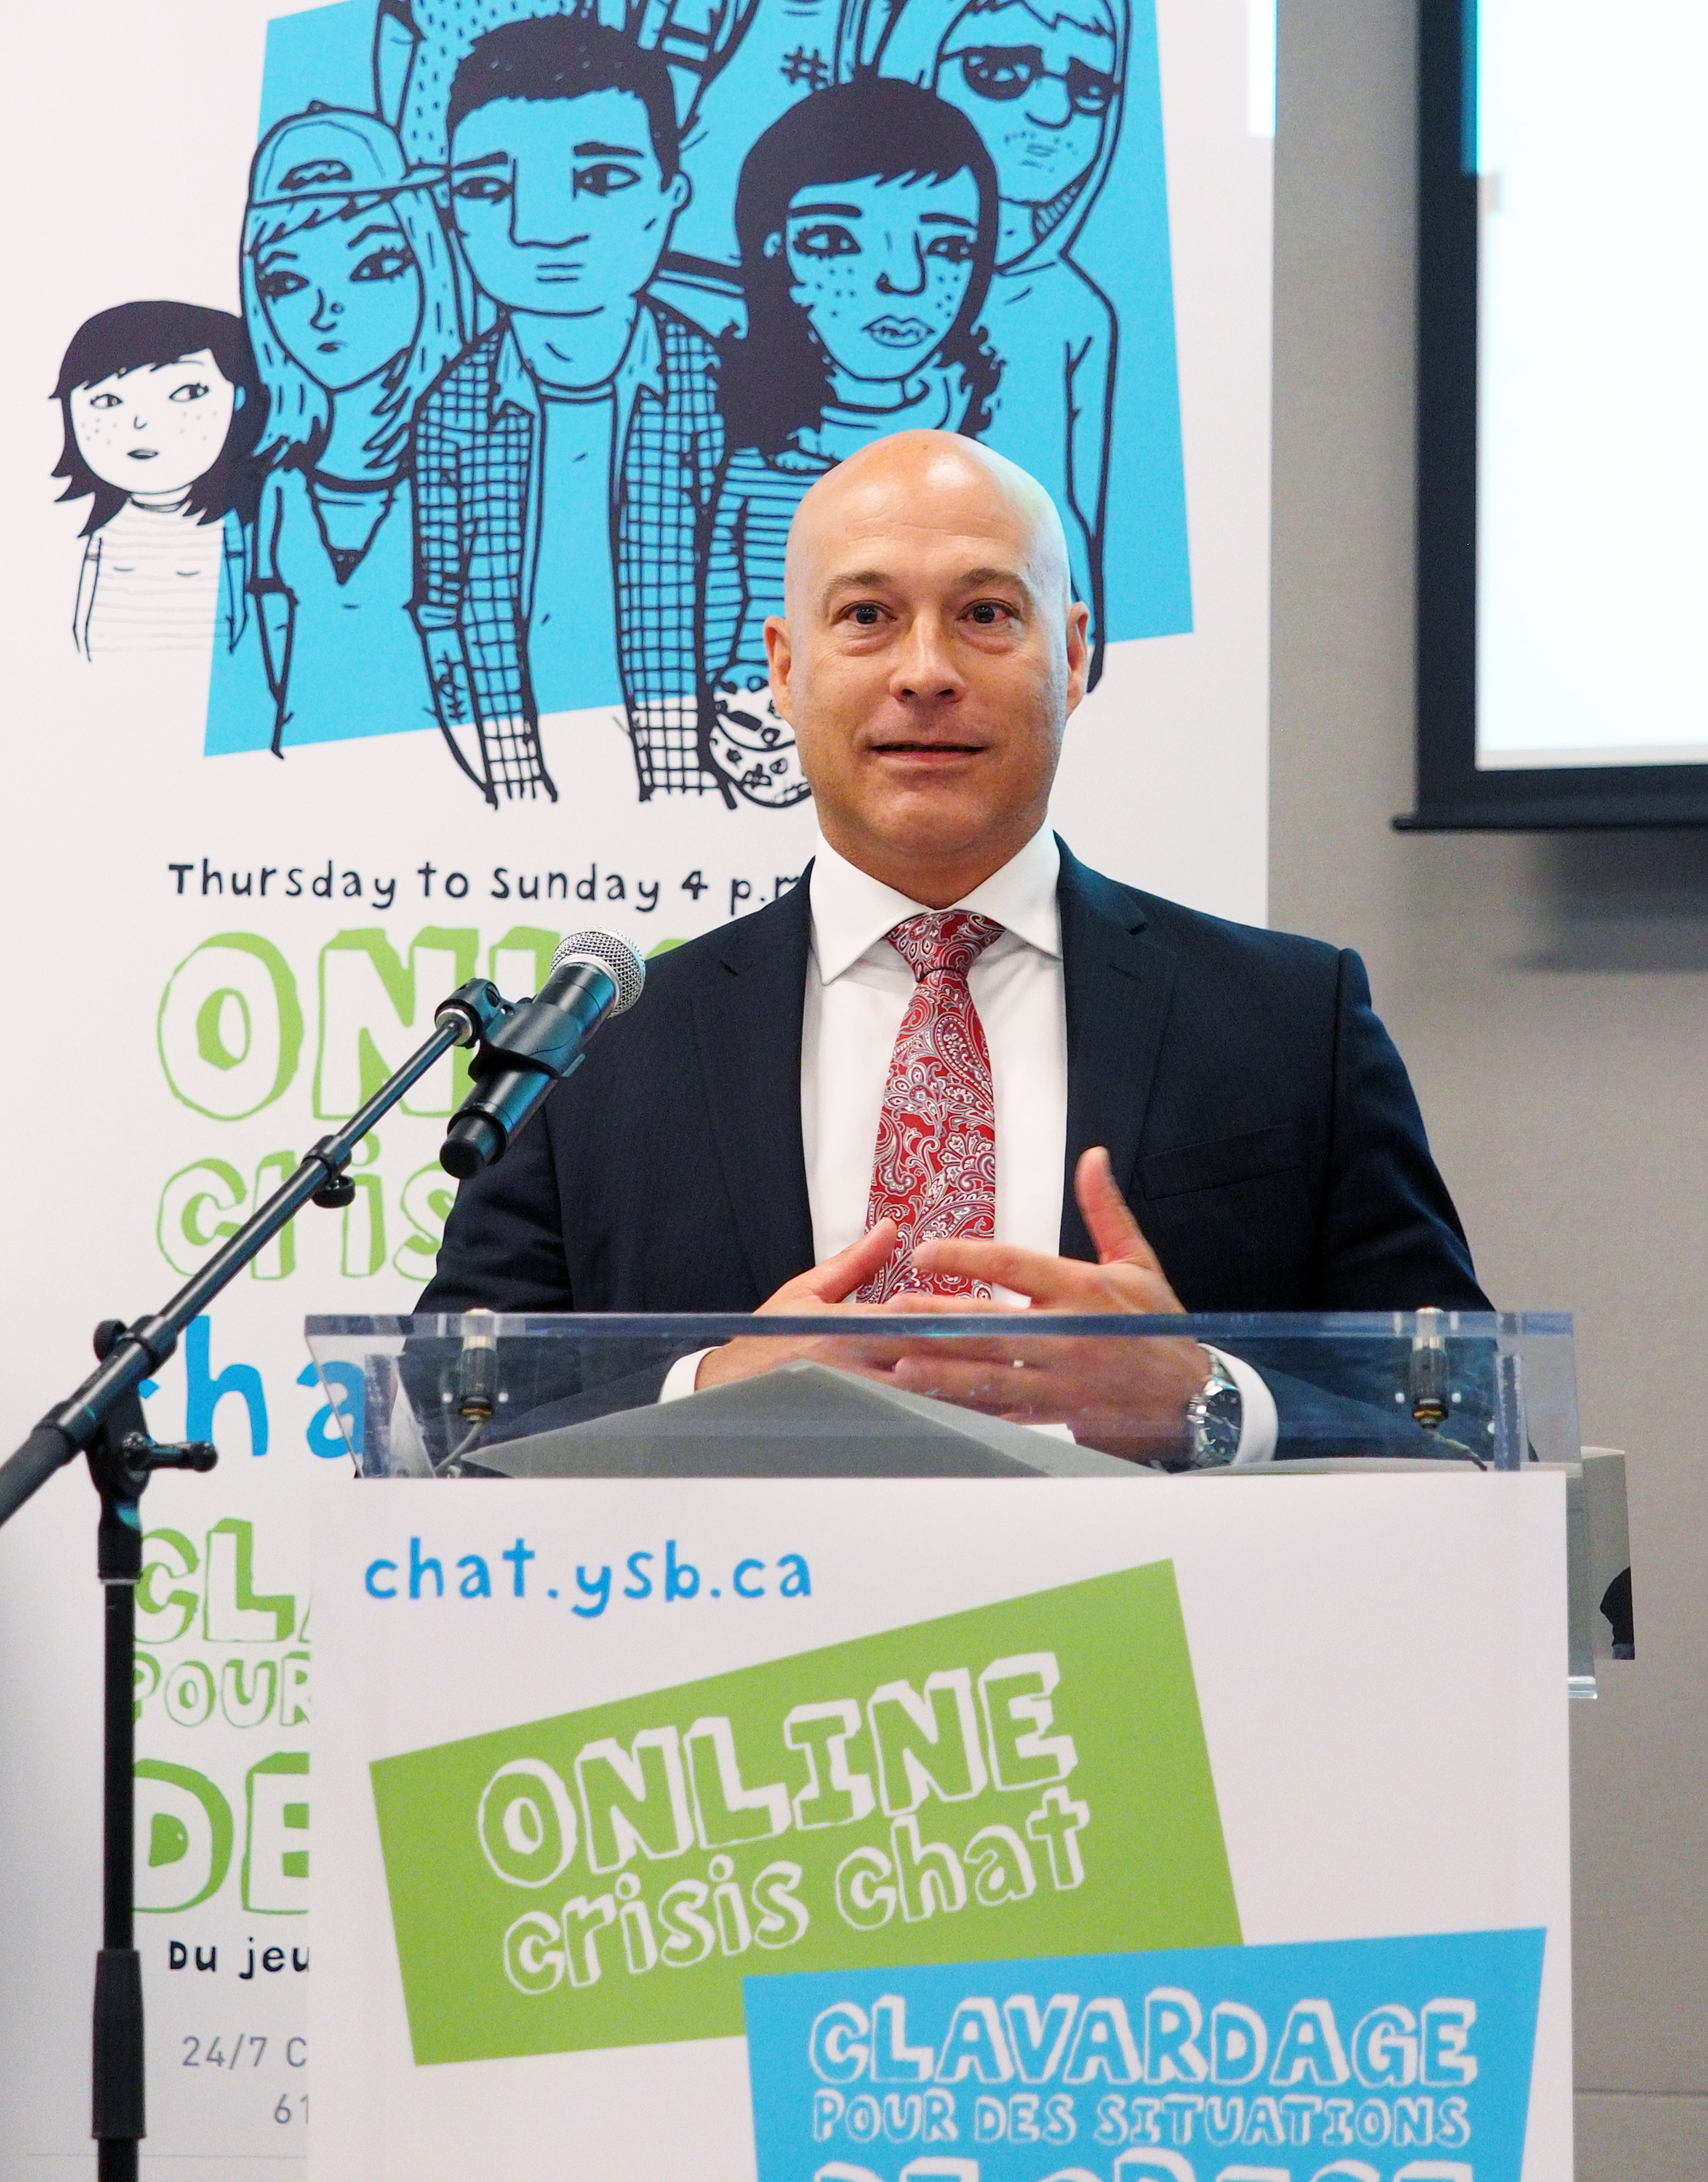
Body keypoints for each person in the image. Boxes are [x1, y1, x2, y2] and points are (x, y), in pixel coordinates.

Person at [420, 429, 1486, 1462]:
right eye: (867, 616)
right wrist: (706, 1394)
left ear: (1073, 656)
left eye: (985, 613)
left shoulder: (1290, 1023)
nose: (925, 672)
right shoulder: (594, 1051)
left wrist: (1203, 1403)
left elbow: (1470, 1427)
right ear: (785, 669)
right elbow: (441, 1424)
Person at [409, 15, 726, 807]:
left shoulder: (720, 390)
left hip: (702, 793)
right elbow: (442, 615)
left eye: (604, 177)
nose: (541, 227)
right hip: (517, 792)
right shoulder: (451, 412)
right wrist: (504, 783)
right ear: (451, 210)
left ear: (671, 197)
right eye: (488, 189)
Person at [705, 75, 1001, 808]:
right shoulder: (749, 461)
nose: (903, 280)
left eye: (947, 246)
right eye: (835, 241)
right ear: (773, 254)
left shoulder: (998, 461)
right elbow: (719, 636)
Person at [874, 0, 1125, 674]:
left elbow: (1075, 514)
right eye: (1000, 72)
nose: (1053, 112)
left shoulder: (1077, 310)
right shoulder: (869, 289)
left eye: (1090, 89)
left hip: (1011, 658)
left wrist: (1076, 660)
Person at [226, 105, 465, 757]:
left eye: (375, 264)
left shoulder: (469, 467)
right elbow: (271, 667)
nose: (327, 308)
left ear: (428, 263)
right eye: (286, 281)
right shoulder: (274, 487)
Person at [52, 301, 265, 661]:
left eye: (186, 393)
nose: (141, 423)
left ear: (239, 400)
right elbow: (85, 611)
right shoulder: (109, 529)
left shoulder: (232, 526)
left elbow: (243, 600)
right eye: (108, 400)